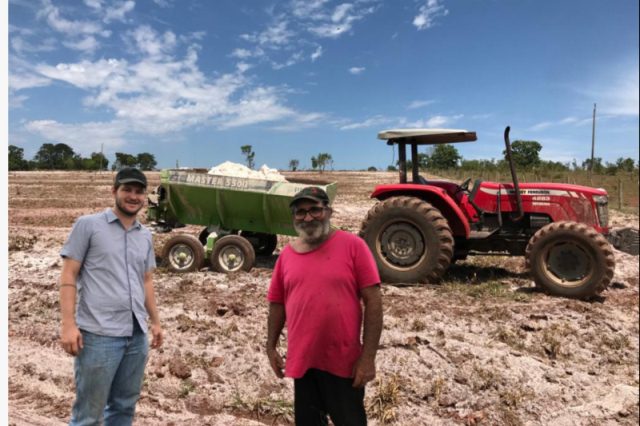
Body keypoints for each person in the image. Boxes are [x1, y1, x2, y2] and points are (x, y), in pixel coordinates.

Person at [266, 187, 383, 425]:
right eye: (301, 212)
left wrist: (368, 357)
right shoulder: (286, 256)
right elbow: (277, 303)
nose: (308, 217)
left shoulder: (353, 246)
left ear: (328, 211)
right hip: (303, 362)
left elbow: (374, 301)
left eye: (315, 210)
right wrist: (271, 346)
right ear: (294, 218)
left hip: (344, 363)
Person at [59, 167, 163, 426]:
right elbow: (69, 275)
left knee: (124, 407)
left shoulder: (145, 235)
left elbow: (146, 280)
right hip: (99, 336)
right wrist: (68, 325)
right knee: (88, 416)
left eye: (139, 192)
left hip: (136, 335)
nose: (133, 196)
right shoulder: (89, 226)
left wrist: (156, 322)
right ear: (114, 191)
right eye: (127, 189)